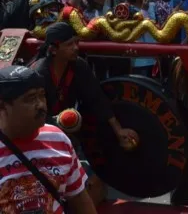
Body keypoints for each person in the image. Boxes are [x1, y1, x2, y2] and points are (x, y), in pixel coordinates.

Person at [29, 23, 139, 204]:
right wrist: (58, 124)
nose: (76, 48)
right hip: (40, 136)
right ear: (53, 49)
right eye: (69, 44)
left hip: (68, 132)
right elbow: (34, 116)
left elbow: (97, 99)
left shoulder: (78, 67)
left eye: (76, 42)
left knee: (95, 185)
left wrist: (118, 130)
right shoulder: (39, 73)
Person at [0, 65, 97, 213]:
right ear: (3, 106)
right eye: (30, 98)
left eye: (41, 95)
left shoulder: (57, 138)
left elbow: (79, 199)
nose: (40, 105)